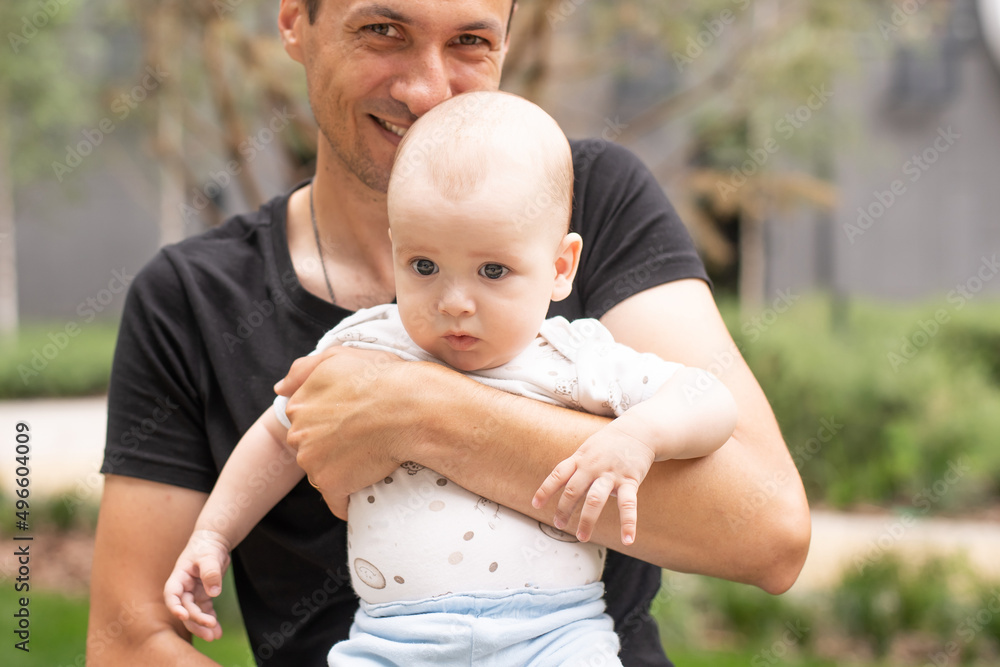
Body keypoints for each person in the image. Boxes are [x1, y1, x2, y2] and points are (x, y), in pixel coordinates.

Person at [88, 1, 811, 665]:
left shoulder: (589, 201)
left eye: (469, 41)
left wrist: (413, 412)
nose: (428, 91)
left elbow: (768, 532)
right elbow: (129, 639)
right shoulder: (189, 299)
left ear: (562, 265)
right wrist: (212, 537)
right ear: (293, 22)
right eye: (383, 30)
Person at [162, 91, 739, 666]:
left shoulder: (574, 356)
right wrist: (213, 534)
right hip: (393, 641)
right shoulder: (365, 347)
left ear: (560, 267)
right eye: (424, 266)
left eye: (493, 270)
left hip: (554, 636)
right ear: (396, 255)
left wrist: (642, 436)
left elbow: (706, 395)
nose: (455, 301)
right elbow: (277, 434)